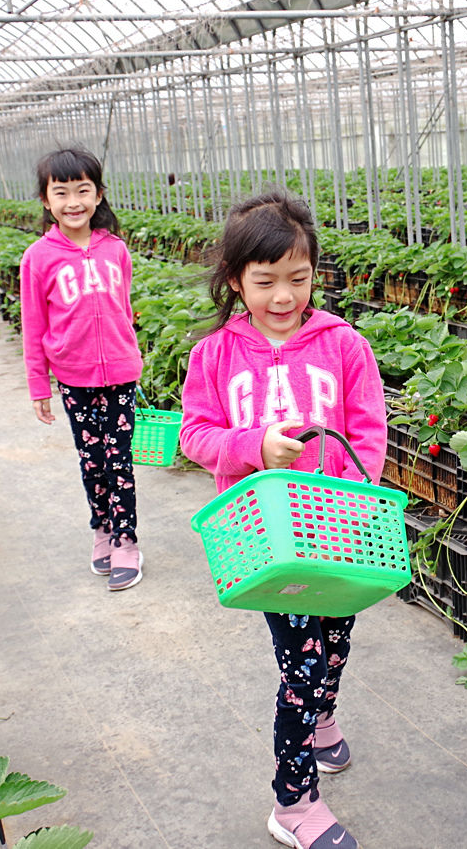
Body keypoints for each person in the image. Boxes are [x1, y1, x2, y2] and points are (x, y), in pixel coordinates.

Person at [180, 191, 386, 849]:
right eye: (265, 281)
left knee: (336, 640)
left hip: (337, 528)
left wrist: (354, 500)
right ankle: (293, 802)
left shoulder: (344, 345)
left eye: (297, 278)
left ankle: (323, 723)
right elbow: (195, 434)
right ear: (235, 278)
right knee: (301, 664)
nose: (282, 295)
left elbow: (369, 430)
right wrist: (253, 446)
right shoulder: (215, 354)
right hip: (263, 538)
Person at [19, 147, 145, 591]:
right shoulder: (38, 258)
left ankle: (127, 539)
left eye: (82, 190)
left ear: (98, 195)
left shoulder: (115, 249)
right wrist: (39, 384)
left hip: (121, 374)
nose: (73, 201)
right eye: (62, 192)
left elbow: (124, 308)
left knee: (120, 459)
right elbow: (33, 325)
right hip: (74, 378)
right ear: (46, 200)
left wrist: (131, 352)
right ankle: (102, 529)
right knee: (92, 460)